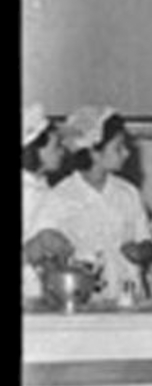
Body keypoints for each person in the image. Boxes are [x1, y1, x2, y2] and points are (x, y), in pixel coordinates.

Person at [28, 106, 152, 303]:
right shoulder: (60, 196)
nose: (127, 153)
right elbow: (42, 254)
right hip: (85, 303)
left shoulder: (128, 193)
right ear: (95, 153)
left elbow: (147, 242)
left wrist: (141, 251)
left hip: (129, 298)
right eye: (118, 147)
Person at [22, 103, 69, 301]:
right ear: (36, 150)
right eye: (56, 145)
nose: (63, 152)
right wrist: (34, 248)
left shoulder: (48, 191)